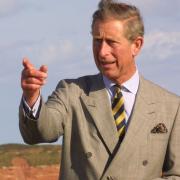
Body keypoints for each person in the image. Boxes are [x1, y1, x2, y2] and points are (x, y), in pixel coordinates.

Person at [19, 0, 180, 179]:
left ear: (137, 45)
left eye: (111, 42)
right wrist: (31, 96)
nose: (102, 51)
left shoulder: (171, 107)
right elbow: (40, 133)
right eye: (97, 41)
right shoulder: (72, 92)